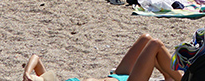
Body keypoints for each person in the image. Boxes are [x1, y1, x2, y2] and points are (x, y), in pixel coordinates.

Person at [23, 34, 181, 81]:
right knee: (155, 45)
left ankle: (169, 76)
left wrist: (27, 74)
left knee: (145, 39)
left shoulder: (45, 79)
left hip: (117, 76)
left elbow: (36, 57)